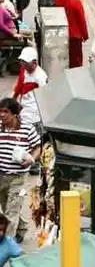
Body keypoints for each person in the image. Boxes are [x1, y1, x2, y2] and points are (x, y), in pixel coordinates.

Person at [0, 97, 42, 244]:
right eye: (0, 111)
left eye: (6, 112)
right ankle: (22, 228)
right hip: (1, 175)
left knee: (11, 211)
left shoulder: (27, 129)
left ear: (14, 114)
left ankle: (6, 244)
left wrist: (31, 159)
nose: (2, 115)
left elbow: (38, 147)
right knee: (7, 208)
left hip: (18, 177)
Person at [12, 47, 46, 176]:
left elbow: (45, 97)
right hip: (23, 112)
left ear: (34, 62)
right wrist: (12, 103)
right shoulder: (24, 71)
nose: (24, 65)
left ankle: (35, 165)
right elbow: (19, 87)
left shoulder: (41, 76)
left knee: (35, 141)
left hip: (36, 115)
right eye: (22, 63)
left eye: (26, 63)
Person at [54, 0, 88, 68]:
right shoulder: (76, 2)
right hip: (74, 37)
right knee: (75, 64)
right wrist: (85, 35)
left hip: (60, 35)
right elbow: (82, 20)